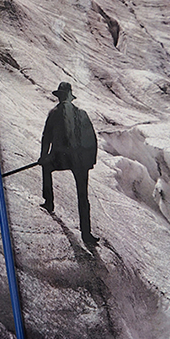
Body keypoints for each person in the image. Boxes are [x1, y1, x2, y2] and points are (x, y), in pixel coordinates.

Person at [38, 82, 98, 247]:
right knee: (83, 196)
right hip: (79, 161)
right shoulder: (81, 114)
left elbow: (46, 137)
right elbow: (92, 138)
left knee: (47, 167)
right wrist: (90, 161)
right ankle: (86, 234)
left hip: (62, 158)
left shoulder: (54, 113)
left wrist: (44, 156)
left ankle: (49, 201)